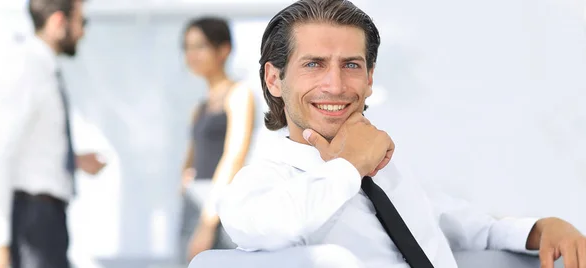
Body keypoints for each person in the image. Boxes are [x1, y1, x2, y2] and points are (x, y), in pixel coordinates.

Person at [216, 1, 586, 268]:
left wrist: (543, 228)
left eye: (351, 65)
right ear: (274, 79)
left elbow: (474, 228)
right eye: (314, 64)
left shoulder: (390, 176)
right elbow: (278, 228)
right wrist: (350, 164)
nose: (335, 84)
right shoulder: (259, 185)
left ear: (370, 79)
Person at [0, 0, 106, 267]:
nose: (83, 32)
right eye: (81, 22)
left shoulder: (43, 69)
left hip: (46, 218)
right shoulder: (25, 68)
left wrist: (73, 160)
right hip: (31, 219)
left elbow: (29, 145)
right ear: (58, 23)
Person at [178, 17, 256, 263]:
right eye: (187, 47)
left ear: (223, 50)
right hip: (194, 202)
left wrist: (208, 220)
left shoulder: (239, 94)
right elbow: (192, 154)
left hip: (219, 206)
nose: (191, 54)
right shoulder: (199, 106)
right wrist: (185, 178)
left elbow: (234, 157)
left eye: (200, 46)